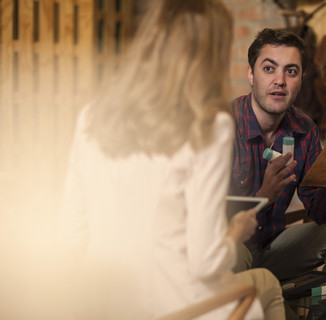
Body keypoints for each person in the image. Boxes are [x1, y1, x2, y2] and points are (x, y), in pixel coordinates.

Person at [57, 1, 285, 319]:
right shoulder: (208, 126)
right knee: (262, 293)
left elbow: (69, 235)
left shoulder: (91, 118)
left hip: (97, 303)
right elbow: (204, 262)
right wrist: (235, 231)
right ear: (211, 53)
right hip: (173, 304)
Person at [230, 28, 326, 281]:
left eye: (290, 71)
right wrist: (264, 196)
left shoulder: (304, 129)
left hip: (273, 249)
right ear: (251, 74)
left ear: (301, 79)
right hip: (229, 250)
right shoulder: (224, 125)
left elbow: (322, 216)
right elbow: (206, 223)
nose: (280, 81)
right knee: (233, 253)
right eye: (269, 69)